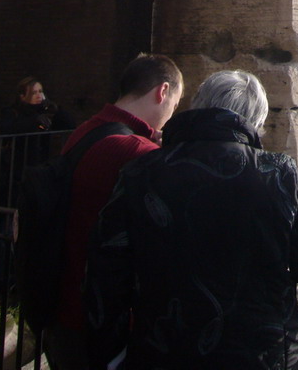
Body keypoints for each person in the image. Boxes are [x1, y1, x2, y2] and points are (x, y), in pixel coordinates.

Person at [86, 69, 298, 370]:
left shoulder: (141, 172)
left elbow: (105, 271)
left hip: (165, 353)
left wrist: (113, 356)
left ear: (198, 105)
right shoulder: (276, 173)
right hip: (261, 357)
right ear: (257, 122)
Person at [43, 53, 183, 370]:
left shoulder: (84, 132)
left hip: (64, 306)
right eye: (175, 104)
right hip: (108, 323)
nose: (172, 113)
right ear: (162, 92)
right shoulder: (138, 152)